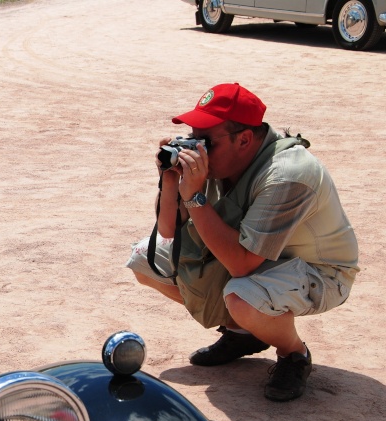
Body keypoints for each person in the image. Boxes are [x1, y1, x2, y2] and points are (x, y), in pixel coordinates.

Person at [125, 83, 359, 402]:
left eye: (204, 140)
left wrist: (194, 197)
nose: (196, 148)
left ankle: (293, 354)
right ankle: (244, 333)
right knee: (145, 261)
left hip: (319, 273)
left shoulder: (288, 173)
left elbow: (241, 264)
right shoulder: (221, 160)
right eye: (193, 136)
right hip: (259, 259)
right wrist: (170, 179)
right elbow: (167, 231)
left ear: (244, 139)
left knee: (243, 297)